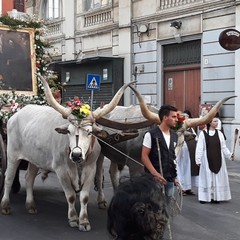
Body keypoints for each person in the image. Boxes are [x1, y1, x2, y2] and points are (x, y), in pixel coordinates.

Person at [141, 104, 178, 202]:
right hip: (154, 179)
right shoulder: (151, 134)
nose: (177, 120)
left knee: (167, 206)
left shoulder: (175, 136)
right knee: (153, 207)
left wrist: (174, 176)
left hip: (169, 179)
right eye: (174, 117)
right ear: (165, 117)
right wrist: (155, 174)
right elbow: (144, 156)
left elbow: (172, 157)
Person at [195, 117, 233, 204]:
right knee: (206, 177)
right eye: (215, 121)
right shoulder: (203, 134)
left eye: (217, 121)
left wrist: (229, 155)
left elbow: (223, 147)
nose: (216, 123)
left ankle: (215, 197)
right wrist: (198, 159)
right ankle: (204, 197)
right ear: (209, 122)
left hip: (218, 158)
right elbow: (200, 148)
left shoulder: (219, 134)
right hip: (206, 159)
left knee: (216, 178)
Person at [176, 110, 199, 196]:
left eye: (184, 116)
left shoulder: (188, 127)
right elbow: (178, 132)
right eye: (181, 116)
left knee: (186, 167)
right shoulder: (174, 125)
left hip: (185, 148)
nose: (184, 118)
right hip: (177, 147)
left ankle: (187, 187)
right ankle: (180, 188)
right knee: (178, 167)